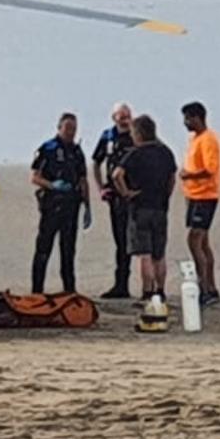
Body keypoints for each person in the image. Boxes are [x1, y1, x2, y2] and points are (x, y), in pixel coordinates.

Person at [112, 114, 176, 300]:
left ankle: (147, 291)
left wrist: (126, 193)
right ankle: (160, 290)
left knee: (145, 254)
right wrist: (166, 194)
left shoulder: (135, 153)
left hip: (140, 207)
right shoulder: (165, 152)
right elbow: (172, 176)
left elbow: (117, 174)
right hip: (160, 207)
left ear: (138, 133)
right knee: (159, 253)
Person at [30, 113, 87, 294]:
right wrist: (52, 186)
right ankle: (37, 291)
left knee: (68, 251)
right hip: (52, 206)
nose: (71, 132)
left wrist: (87, 206)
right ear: (59, 127)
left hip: (72, 207)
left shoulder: (77, 152)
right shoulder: (48, 148)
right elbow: (34, 177)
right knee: (43, 249)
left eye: (74, 129)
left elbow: (83, 179)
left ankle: (69, 291)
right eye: (68, 128)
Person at [178, 101, 220, 306]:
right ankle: (211, 287)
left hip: (205, 195)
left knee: (194, 239)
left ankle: (204, 286)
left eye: (188, 118)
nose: (186, 122)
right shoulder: (195, 139)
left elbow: (210, 168)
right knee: (203, 241)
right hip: (194, 195)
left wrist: (189, 175)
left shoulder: (208, 140)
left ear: (198, 117)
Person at [91, 102, 136, 298]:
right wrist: (101, 187)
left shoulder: (137, 135)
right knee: (120, 240)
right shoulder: (107, 136)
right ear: (114, 118)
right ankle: (120, 284)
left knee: (133, 241)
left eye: (128, 116)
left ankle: (143, 285)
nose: (125, 120)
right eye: (121, 117)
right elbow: (96, 161)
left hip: (133, 195)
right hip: (115, 197)